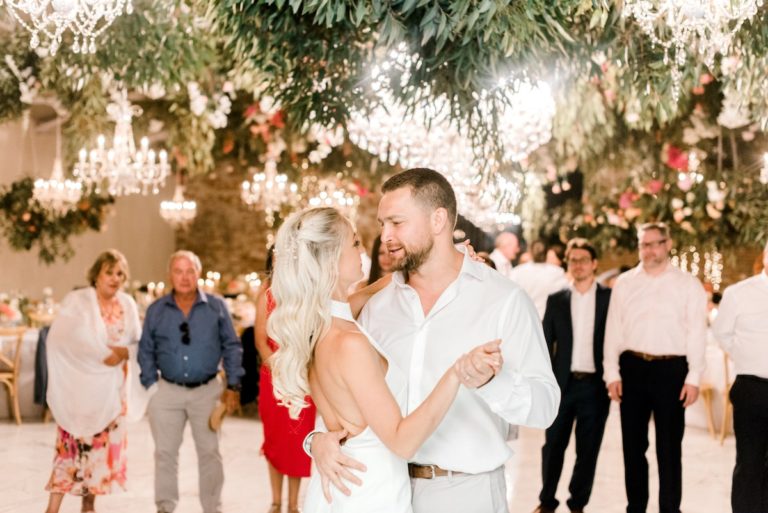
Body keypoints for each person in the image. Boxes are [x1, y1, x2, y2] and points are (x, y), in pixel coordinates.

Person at [309, 168, 560, 513]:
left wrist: (492, 382)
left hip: (466, 493)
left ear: (438, 220)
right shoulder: (375, 308)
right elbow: (345, 390)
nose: (385, 236)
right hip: (385, 491)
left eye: (397, 223)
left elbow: (545, 407)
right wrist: (317, 439)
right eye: (383, 224)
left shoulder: (502, 299)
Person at [603, 222, 707, 513]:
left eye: (654, 244)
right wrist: (611, 373)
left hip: (671, 371)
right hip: (633, 368)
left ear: (667, 244)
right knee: (633, 448)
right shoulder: (625, 283)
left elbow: (697, 332)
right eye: (643, 245)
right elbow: (613, 330)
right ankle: (635, 508)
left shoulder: (688, 284)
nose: (649, 250)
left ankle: (670, 509)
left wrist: (694, 376)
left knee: (669, 448)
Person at [138, 250, 244, 513]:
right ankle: (165, 507)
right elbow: (145, 349)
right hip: (167, 391)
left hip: (207, 392)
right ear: (169, 275)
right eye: (178, 271)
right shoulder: (156, 310)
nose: (184, 277)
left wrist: (233, 385)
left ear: (199, 274)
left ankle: (212, 508)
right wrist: (151, 384)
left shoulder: (216, 306)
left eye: (190, 271)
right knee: (165, 453)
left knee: (210, 452)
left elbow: (232, 346)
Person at [44, 249, 142, 513]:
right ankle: (51, 509)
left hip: (112, 392)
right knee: (70, 450)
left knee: (99, 455)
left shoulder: (127, 304)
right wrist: (97, 354)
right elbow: (60, 339)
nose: (115, 278)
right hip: (80, 389)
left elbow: (138, 341)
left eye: (120, 274)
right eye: (109, 272)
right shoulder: (78, 302)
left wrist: (124, 352)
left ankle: (88, 507)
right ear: (96, 275)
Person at [535, 238, 611, 513]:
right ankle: (547, 501)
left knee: (588, 449)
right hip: (561, 385)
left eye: (583, 260)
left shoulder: (609, 299)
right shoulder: (556, 300)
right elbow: (545, 344)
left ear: (594, 264)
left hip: (595, 385)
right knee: (553, 446)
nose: (577, 265)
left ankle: (577, 504)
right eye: (573, 260)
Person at [255, 247, 316, 513]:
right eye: (277, 258)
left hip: (301, 378)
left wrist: (299, 369)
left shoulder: (307, 294)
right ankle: (276, 501)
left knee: (297, 440)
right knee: (275, 440)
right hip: (275, 376)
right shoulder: (266, 294)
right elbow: (260, 340)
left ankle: (293, 504)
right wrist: (281, 369)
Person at [711, 240, 768, 513]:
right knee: (749, 462)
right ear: (765, 256)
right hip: (752, 388)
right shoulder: (738, 293)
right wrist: (747, 356)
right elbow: (721, 333)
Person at [509, 240, 570, 319]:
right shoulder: (557, 272)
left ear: (530, 252)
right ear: (547, 252)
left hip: (525, 318)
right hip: (547, 318)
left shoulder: (516, 272)